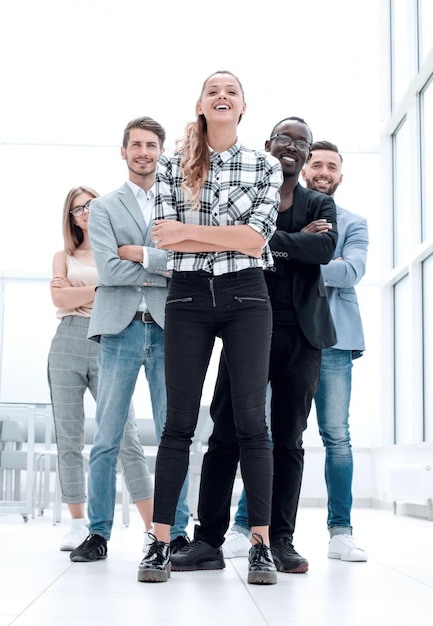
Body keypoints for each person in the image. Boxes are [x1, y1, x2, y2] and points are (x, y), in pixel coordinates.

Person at [137, 70, 283, 585]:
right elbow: (165, 240)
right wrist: (218, 237)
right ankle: (158, 544)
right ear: (200, 104)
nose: (222, 96)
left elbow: (254, 241)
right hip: (188, 297)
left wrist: (189, 232)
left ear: (243, 106)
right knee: (178, 424)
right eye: (212, 90)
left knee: (250, 423)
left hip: (247, 296)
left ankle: (261, 546)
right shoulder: (174, 164)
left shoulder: (264, 164)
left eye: (232, 91)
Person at [185, 117, 338, 575]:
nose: (292, 146)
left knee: (288, 440)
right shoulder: (247, 196)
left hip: (302, 335)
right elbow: (236, 242)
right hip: (245, 326)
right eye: (284, 139)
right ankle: (208, 540)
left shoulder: (319, 202)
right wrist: (288, 241)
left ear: (307, 156)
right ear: (269, 145)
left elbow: (322, 252)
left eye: (301, 142)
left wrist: (262, 240)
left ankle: (280, 542)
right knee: (225, 434)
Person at [70, 116, 190, 563]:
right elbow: (110, 270)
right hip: (118, 329)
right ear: (123, 152)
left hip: (168, 328)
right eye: (135, 144)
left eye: (151, 144)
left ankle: (176, 531)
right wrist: (161, 262)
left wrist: (138, 254)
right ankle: (98, 532)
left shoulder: (179, 202)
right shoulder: (102, 208)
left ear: (161, 151)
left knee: (172, 433)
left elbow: (187, 265)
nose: (143, 151)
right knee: (107, 437)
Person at [47, 186, 150, 551]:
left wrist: (86, 288)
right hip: (68, 341)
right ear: (71, 218)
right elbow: (59, 299)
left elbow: (130, 280)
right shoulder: (64, 255)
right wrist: (105, 285)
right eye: (77, 209)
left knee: (126, 438)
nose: (85, 213)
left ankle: (152, 526)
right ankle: (78, 523)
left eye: (90, 204)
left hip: (109, 337)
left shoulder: (113, 248)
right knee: (69, 437)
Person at [302, 140, 368, 561]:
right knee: (268, 435)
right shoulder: (282, 213)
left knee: (337, 436)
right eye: (317, 164)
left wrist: (297, 256)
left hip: (335, 341)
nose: (324, 171)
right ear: (305, 170)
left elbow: (352, 271)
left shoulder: (354, 222)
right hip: (286, 337)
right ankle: (247, 525)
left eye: (332, 166)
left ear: (340, 175)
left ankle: (340, 531)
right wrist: (322, 260)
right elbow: (267, 261)